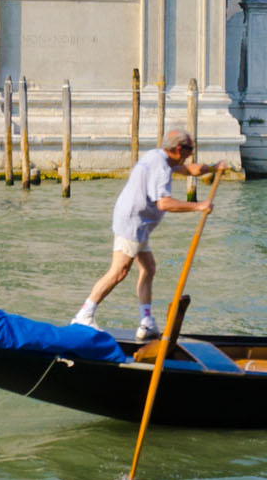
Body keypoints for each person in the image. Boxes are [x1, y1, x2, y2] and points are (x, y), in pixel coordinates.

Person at [69, 130, 213, 341]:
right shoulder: (161, 166)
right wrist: (198, 206)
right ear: (179, 149)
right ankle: (84, 314)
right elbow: (164, 203)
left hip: (138, 222)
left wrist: (214, 167)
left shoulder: (158, 156)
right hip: (133, 222)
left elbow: (189, 169)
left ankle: (146, 322)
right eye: (190, 150)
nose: (191, 155)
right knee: (119, 271)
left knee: (148, 268)